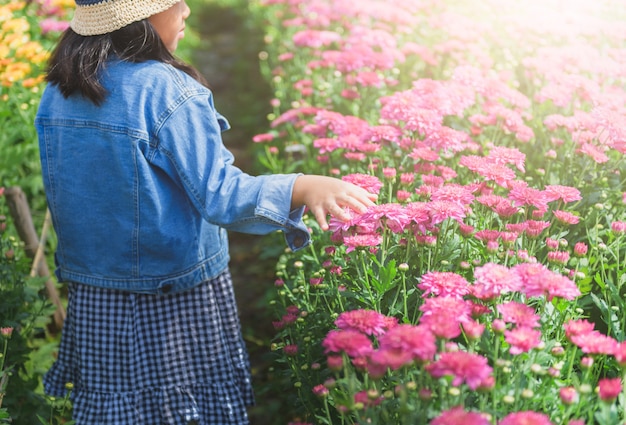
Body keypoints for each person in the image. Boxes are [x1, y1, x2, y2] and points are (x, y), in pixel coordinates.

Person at [34, 1, 377, 424]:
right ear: (137, 18)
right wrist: (301, 186)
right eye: (173, 3)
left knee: (116, 408)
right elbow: (220, 194)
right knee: (183, 408)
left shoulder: (60, 91)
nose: (186, 11)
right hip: (173, 296)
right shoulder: (167, 91)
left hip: (96, 293)